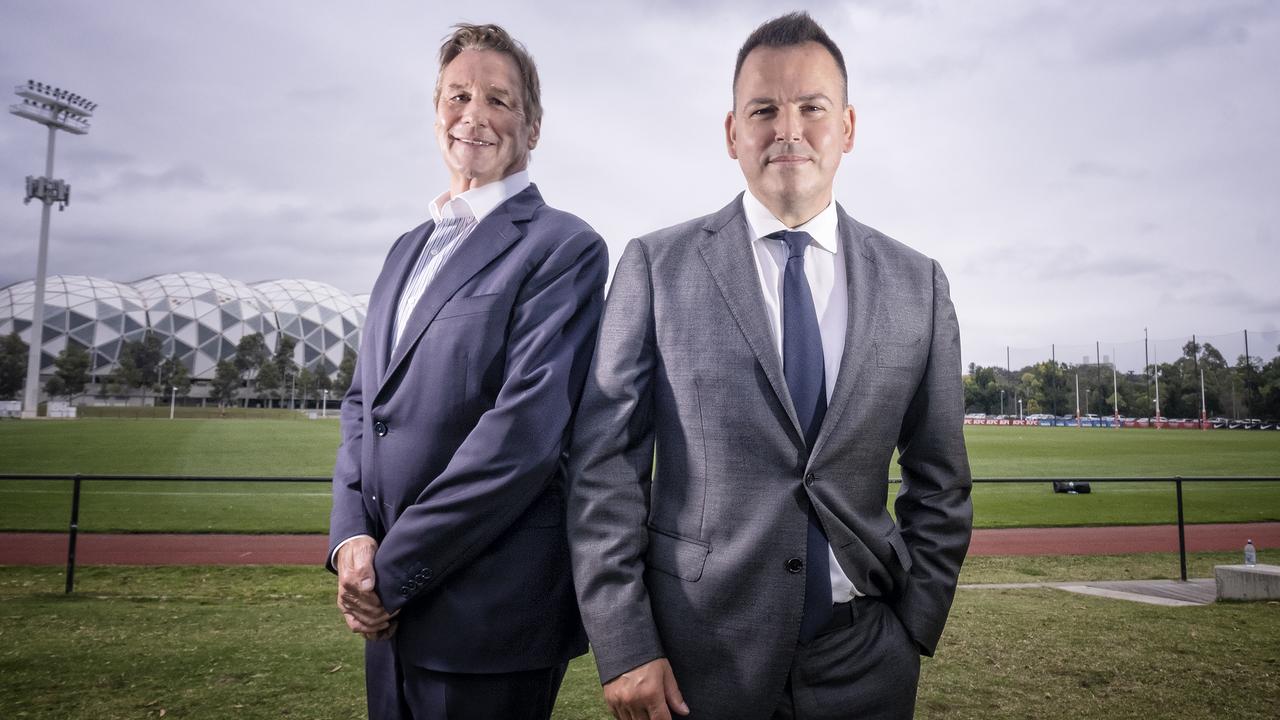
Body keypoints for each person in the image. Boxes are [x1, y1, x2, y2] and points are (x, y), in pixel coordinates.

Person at [567, 11, 972, 720]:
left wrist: (913, 626)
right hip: (696, 666)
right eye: (764, 109)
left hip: (866, 662)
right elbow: (604, 469)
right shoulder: (655, 268)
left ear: (847, 127)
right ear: (732, 133)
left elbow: (941, 480)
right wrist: (626, 643)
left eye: (811, 108)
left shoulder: (919, 286)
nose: (788, 129)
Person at [327, 23, 607, 720]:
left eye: (498, 100)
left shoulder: (564, 248)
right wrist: (351, 541)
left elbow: (522, 439)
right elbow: (365, 405)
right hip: (389, 614)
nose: (473, 115)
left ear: (533, 126)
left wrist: (389, 576)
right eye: (458, 96)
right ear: (436, 114)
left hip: (487, 618)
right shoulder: (404, 250)